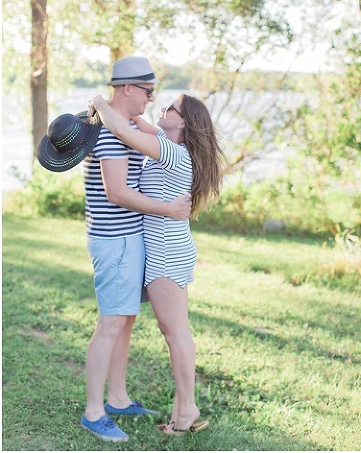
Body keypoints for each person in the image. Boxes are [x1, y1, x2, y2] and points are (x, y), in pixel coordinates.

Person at [40, 56, 192, 442]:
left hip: (129, 238)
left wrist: (105, 107)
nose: (150, 99)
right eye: (147, 91)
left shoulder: (119, 127)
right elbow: (117, 192)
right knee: (111, 323)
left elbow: (154, 138)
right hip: (116, 240)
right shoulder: (111, 134)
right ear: (127, 88)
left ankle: (118, 398)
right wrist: (169, 209)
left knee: (125, 320)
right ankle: (94, 411)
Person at [90, 85, 225, 436]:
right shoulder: (173, 146)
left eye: (172, 109)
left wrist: (100, 102)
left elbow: (121, 130)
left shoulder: (173, 153)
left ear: (185, 124)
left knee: (175, 332)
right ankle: (183, 407)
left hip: (165, 253)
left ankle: (188, 407)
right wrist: (129, 108)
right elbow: (136, 122)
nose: (162, 110)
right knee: (176, 331)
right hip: (172, 247)